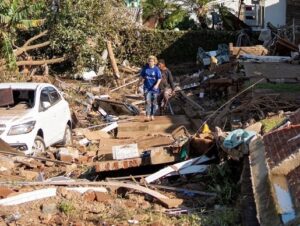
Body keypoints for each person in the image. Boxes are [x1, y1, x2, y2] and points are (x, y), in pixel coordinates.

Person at [137, 55, 161, 121]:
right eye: (149, 61)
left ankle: (152, 115)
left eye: (152, 61)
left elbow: (159, 78)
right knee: (148, 102)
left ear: (154, 62)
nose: (150, 62)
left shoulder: (156, 69)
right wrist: (138, 84)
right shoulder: (145, 69)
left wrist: (156, 85)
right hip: (147, 88)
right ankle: (147, 116)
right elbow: (141, 77)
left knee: (154, 103)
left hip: (154, 89)